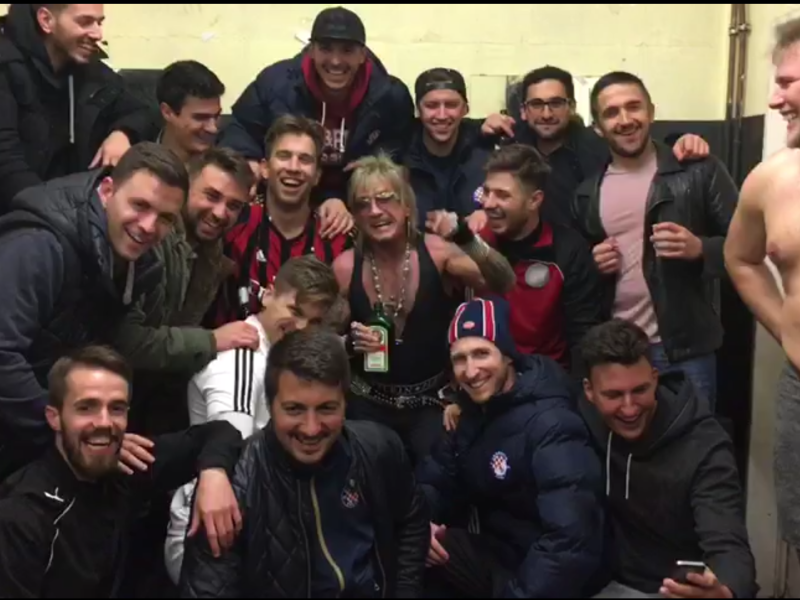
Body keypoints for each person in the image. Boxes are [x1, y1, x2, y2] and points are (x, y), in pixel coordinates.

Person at [180, 327, 430, 597]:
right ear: (270, 405)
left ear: (346, 404)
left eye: (326, 408)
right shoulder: (232, 487)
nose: (311, 429)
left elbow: (411, 520)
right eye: (294, 409)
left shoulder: (379, 448)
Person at [0, 141, 188, 480]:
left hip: (39, 429)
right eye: (140, 205)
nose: (148, 226)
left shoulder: (138, 263)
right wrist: (70, 434)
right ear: (106, 190)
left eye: (165, 217)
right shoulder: (39, 247)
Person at [0, 345, 243, 598]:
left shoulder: (126, 464)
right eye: (86, 407)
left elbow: (221, 432)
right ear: (54, 418)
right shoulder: (22, 519)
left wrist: (214, 473)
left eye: (116, 408)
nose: (104, 423)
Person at [164, 255, 341, 584]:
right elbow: (230, 457)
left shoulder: (279, 360)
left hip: (253, 522)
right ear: (269, 294)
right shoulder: (242, 362)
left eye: (313, 322)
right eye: (294, 311)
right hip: (214, 529)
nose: (301, 328)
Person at [570, 71, 738, 411]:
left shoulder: (697, 171)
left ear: (651, 111)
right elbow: (579, 279)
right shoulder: (587, 193)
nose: (625, 119)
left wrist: (700, 250)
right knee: (629, 453)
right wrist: (593, 263)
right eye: (612, 112)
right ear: (598, 127)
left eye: (634, 107)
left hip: (684, 348)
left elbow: (748, 247)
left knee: (695, 448)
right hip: (617, 350)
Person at [418, 297, 604, 598]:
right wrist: (419, 527)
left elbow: (571, 540)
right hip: (501, 557)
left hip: (554, 577)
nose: (471, 370)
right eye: (459, 359)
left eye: (481, 354)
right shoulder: (470, 414)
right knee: (420, 548)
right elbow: (434, 482)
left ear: (507, 356)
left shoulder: (551, 423)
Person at [336, 153, 516, 465]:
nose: (375, 211)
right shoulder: (344, 267)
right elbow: (316, 345)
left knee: (438, 483)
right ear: (355, 215)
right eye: (363, 204)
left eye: (385, 199)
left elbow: (503, 280)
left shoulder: (437, 253)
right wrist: (348, 345)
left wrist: (464, 235)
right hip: (367, 403)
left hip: (431, 403)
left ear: (406, 206)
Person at [578, 319, 757, 599]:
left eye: (639, 390)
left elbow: (728, 544)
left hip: (676, 590)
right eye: (613, 395)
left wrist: (725, 591)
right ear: (589, 392)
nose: (628, 408)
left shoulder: (704, 445)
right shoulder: (584, 418)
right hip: (602, 580)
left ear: (655, 377)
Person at [724, 15, 800, 567]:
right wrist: (784, 327)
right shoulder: (770, 179)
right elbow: (739, 258)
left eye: (788, 82)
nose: (775, 101)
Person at [218, 6, 413, 218]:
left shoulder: (390, 95)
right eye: (326, 49)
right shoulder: (275, 83)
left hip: (354, 201)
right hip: (285, 195)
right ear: (311, 50)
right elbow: (241, 125)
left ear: (362, 55)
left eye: (347, 50)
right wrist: (248, 157)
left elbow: (401, 146)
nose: (336, 61)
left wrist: (375, 162)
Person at [481, 65, 710, 227]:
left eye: (556, 103)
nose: (547, 113)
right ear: (523, 111)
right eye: (537, 104)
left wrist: (681, 140)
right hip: (521, 262)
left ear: (571, 107)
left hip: (583, 267)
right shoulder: (512, 145)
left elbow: (639, 144)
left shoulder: (596, 146)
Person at [0, 4, 159, 208]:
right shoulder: (6, 68)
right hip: (17, 218)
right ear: (46, 20)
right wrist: (59, 215)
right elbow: (6, 165)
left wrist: (123, 133)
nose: (97, 34)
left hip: (71, 209)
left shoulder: (85, 67)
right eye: (85, 22)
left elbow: (142, 111)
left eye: (99, 22)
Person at [210, 115, 351, 325]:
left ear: (317, 175)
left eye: (305, 159)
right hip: (232, 352)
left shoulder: (336, 238)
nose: (293, 167)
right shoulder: (233, 224)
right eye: (284, 156)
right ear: (265, 168)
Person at [478, 143, 601, 370]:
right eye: (486, 192)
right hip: (482, 377)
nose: (488, 204)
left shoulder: (567, 251)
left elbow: (582, 336)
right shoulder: (475, 244)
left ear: (534, 200)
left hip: (546, 382)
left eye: (502, 195)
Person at [404, 67, 494, 223]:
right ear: (418, 110)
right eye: (431, 105)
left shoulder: (488, 158)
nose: (442, 115)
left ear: (465, 109)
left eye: (451, 105)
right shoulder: (400, 160)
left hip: (475, 247)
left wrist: (490, 215)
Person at [156, 60, 225, 164]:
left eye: (217, 116)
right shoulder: (136, 165)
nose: (213, 128)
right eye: (201, 117)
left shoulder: (227, 164)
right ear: (167, 112)